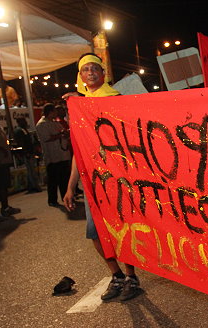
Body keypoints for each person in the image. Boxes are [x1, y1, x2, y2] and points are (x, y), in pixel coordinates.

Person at [63, 53, 141, 302]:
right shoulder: (78, 105)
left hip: (117, 178)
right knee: (95, 232)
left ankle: (131, 277)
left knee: (122, 229)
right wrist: (70, 186)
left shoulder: (115, 99)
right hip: (92, 183)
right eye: (85, 69)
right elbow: (79, 150)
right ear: (80, 76)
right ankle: (116, 275)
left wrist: (81, 103)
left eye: (95, 68)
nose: (91, 72)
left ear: (103, 74)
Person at [36, 104, 71, 206]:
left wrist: (65, 133)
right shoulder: (42, 124)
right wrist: (60, 135)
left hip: (62, 154)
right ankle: (52, 200)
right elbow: (46, 138)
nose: (57, 113)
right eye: (55, 111)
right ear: (50, 112)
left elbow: (63, 134)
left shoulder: (55, 123)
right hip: (52, 157)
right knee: (53, 180)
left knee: (64, 179)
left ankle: (66, 197)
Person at [13, 117, 42, 194]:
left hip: (29, 152)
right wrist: (26, 152)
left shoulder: (24, 130)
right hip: (27, 153)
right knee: (31, 170)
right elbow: (21, 143)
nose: (26, 122)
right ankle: (34, 186)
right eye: (24, 121)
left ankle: (31, 186)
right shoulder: (19, 131)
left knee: (31, 170)